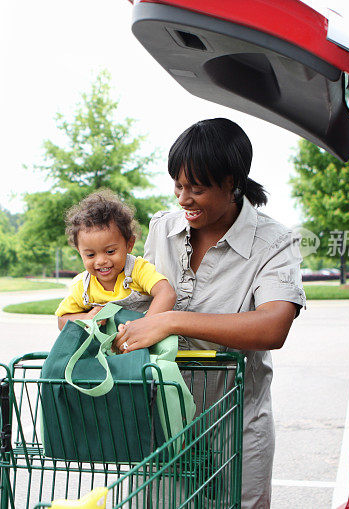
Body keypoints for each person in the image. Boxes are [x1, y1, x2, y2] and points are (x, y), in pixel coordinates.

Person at [112, 118, 306, 509]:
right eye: (178, 186)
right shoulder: (161, 230)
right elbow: (132, 298)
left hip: (234, 424)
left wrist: (171, 320)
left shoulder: (274, 243)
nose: (183, 199)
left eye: (196, 188)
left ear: (233, 182)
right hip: (162, 419)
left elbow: (273, 326)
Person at [55, 190, 176, 326]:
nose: (101, 261)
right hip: (103, 345)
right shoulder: (83, 286)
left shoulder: (138, 270)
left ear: (129, 244)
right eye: (90, 255)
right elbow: (62, 320)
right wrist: (86, 317)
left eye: (110, 251)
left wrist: (144, 327)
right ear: (79, 252)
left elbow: (166, 293)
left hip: (141, 343)